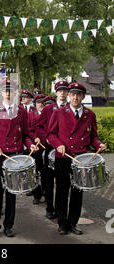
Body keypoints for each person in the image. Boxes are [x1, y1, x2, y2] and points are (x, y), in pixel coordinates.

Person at [47, 82, 106, 235]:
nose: (75, 97)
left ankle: (73, 223)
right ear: (69, 95)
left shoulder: (89, 115)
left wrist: (99, 144)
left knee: (77, 192)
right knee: (61, 192)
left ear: (83, 97)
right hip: (64, 157)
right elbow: (51, 134)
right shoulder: (59, 112)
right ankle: (62, 223)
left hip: (81, 159)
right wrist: (58, 144)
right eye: (72, 94)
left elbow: (94, 137)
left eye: (78, 95)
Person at [0, 78, 38, 238]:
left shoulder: (21, 112)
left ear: (15, 93)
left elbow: (26, 135)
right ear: (1, 92)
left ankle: (8, 225)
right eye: (6, 90)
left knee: (12, 193)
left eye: (11, 91)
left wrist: (30, 145)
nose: (8, 93)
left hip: (15, 157)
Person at [33, 81, 68, 220]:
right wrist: (46, 138)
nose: (63, 93)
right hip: (49, 148)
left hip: (66, 150)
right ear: (56, 92)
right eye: (60, 91)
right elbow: (37, 126)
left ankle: (60, 211)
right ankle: (49, 207)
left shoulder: (70, 108)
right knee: (48, 179)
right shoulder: (48, 109)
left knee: (62, 182)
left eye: (65, 90)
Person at [28, 93, 46, 204]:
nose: (41, 104)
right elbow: (28, 130)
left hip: (47, 146)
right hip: (36, 148)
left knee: (46, 172)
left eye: (42, 102)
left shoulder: (49, 113)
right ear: (35, 103)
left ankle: (46, 192)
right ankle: (36, 194)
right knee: (36, 171)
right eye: (39, 102)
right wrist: (35, 138)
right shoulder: (30, 115)